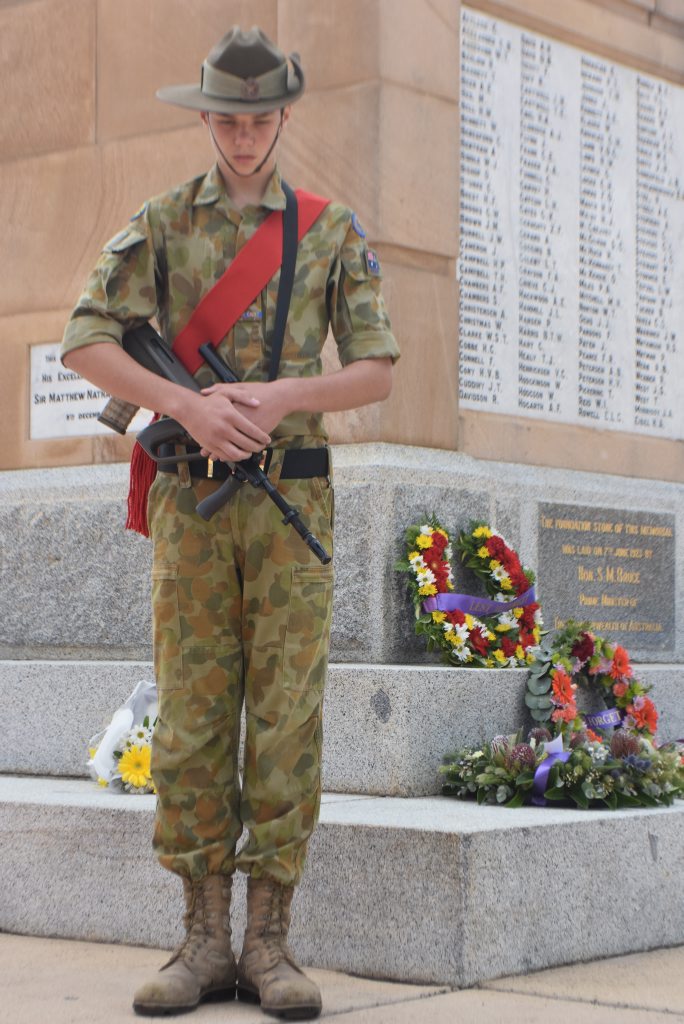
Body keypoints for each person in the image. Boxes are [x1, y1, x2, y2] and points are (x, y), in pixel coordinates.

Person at [61, 25, 399, 1021]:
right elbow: (86, 338)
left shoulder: (330, 229)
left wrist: (289, 389)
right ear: (205, 118)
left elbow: (377, 366)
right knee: (196, 723)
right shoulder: (164, 223)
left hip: (292, 500)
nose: (244, 135)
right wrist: (187, 407)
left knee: (286, 721)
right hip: (193, 509)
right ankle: (203, 940)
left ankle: (271, 944)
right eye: (228, 118)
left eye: (260, 118)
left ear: (284, 116)